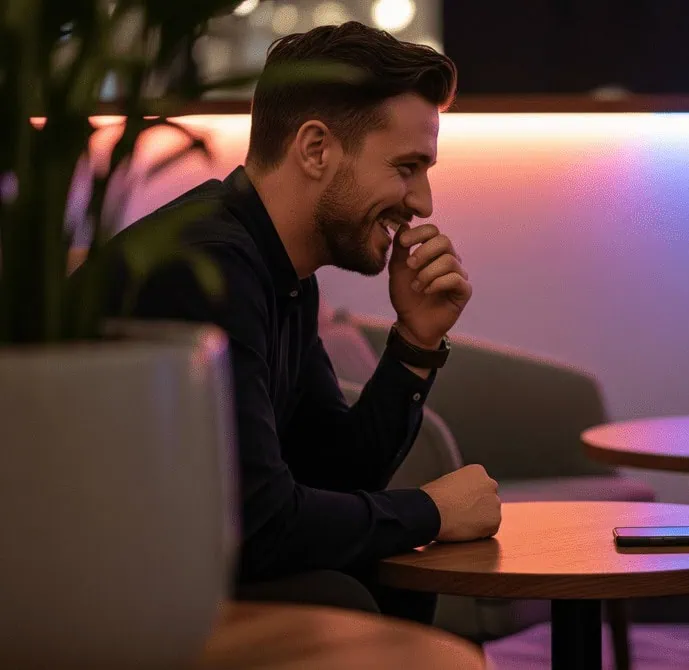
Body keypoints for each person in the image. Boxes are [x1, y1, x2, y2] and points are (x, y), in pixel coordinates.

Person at [77, 22, 501, 618]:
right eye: (407, 167)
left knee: (387, 575)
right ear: (316, 149)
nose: (424, 202)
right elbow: (260, 523)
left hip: (183, 562)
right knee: (349, 592)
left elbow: (335, 470)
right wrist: (430, 512)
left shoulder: (282, 272)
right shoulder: (205, 270)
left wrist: (416, 341)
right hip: (101, 584)